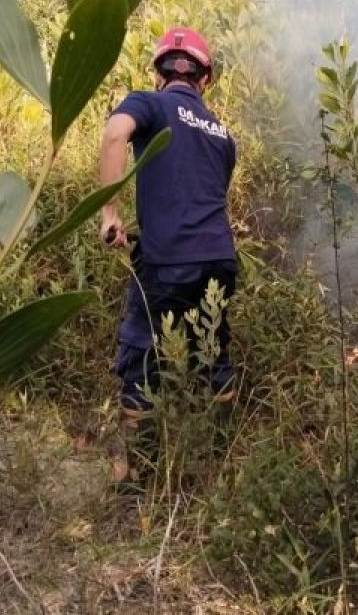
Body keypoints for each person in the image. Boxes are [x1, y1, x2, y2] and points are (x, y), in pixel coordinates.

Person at [98, 26, 238, 477]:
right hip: (219, 258)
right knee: (212, 351)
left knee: (141, 355)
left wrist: (109, 215)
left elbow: (115, 134)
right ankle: (219, 462)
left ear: (159, 73)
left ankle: (140, 477)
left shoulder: (150, 102)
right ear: (206, 78)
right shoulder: (222, 134)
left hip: (167, 263)